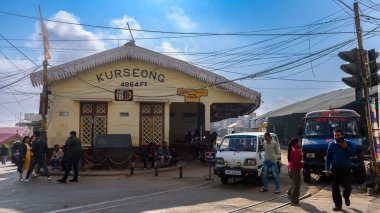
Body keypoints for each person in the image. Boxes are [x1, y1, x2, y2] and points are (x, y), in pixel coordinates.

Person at [325, 129, 356, 212]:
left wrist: (346, 148)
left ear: (342, 135)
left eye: (338, 135)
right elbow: (328, 158)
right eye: (335, 135)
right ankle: (338, 205)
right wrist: (327, 169)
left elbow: (353, 153)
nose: (336, 137)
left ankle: (346, 196)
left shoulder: (349, 143)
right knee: (335, 188)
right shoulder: (331, 144)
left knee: (348, 186)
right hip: (335, 169)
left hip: (346, 169)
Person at [287, 138, 304, 205]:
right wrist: (303, 164)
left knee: (295, 184)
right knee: (297, 187)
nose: (300, 143)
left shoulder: (292, 149)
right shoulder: (297, 150)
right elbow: (297, 161)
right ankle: (294, 201)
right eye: (299, 142)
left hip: (291, 169)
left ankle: (289, 193)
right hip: (295, 170)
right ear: (296, 143)